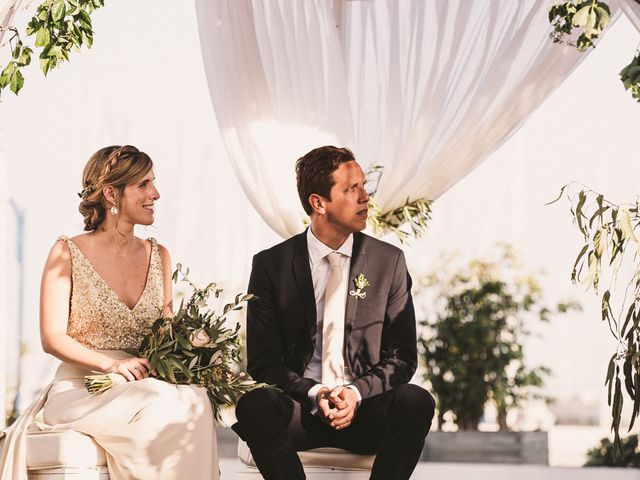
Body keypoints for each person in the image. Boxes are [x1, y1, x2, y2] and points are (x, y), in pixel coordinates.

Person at [0, 145, 218, 480]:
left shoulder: (159, 255)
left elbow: (166, 333)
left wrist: (195, 354)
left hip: (144, 384)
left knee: (197, 400)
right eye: (143, 185)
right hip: (83, 388)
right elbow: (51, 337)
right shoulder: (66, 253)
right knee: (157, 400)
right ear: (111, 193)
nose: (155, 194)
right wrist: (113, 364)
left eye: (153, 183)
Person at [233, 146, 435, 480]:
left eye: (364, 186)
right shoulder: (271, 265)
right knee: (254, 405)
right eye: (351, 188)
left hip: (366, 409)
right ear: (319, 203)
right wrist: (315, 392)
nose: (364, 197)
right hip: (302, 411)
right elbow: (262, 361)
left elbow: (403, 357)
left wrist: (355, 392)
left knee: (417, 402)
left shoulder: (389, 262)